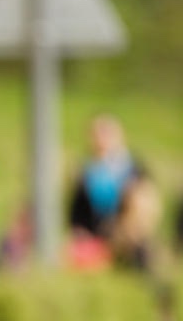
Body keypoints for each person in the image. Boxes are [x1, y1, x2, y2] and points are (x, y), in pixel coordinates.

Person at [68, 114, 160, 271]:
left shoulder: (131, 167)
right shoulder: (87, 172)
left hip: (127, 226)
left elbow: (146, 202)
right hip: (99, 231)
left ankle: (134, 250)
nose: (101, 139)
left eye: (106, 133)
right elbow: (77, 212)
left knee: (141, 197)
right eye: (98, 134)